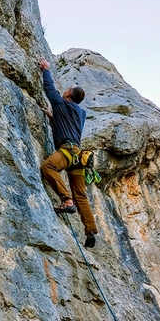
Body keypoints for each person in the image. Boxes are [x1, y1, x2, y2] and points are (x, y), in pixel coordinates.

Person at [39, 57, 98, 248]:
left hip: (67, 151)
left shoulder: (61, 104)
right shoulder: (81, 113)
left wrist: (46, 69)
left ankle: (66, 201)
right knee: (81, 194)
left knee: (48, 166)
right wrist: (53, 117)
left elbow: (49, 90)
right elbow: (69, 125)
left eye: (67, 89)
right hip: (79, 156)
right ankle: (90, 231)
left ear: (69, 94)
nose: (64, 90)